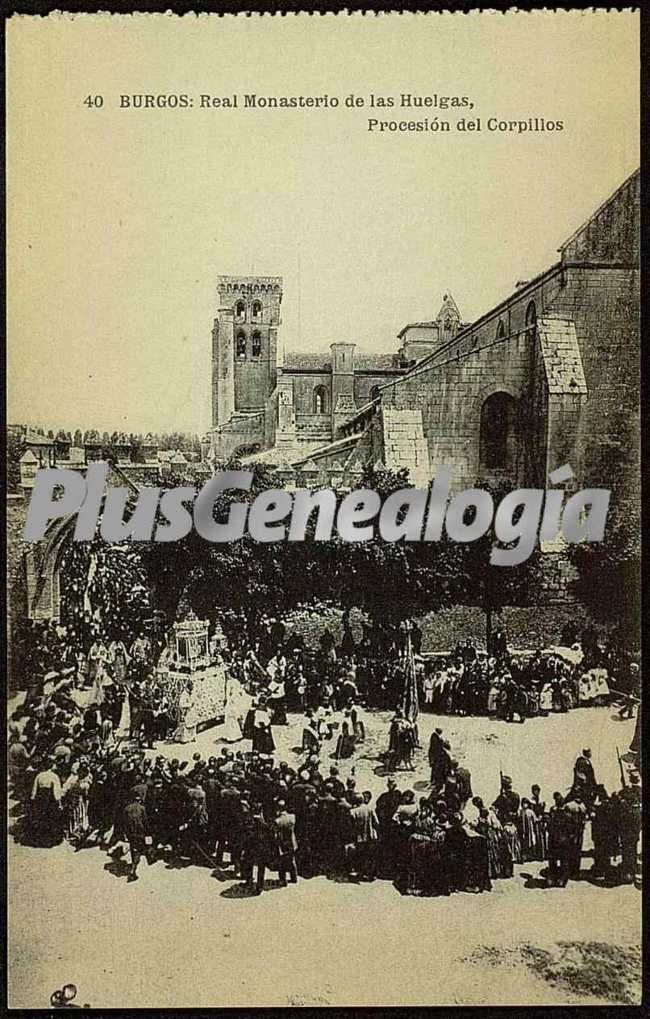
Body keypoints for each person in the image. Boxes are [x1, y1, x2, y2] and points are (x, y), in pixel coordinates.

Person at [29, 759, 64, 846]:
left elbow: (34, 790)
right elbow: (57, 792)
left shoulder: (39, 775)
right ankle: (50, 840)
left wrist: (33, 800)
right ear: (52, 766)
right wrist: (59, 804)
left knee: (41, 818)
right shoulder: (54, 776)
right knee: (51, 819)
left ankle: (40, 839)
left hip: (40, 800)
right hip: (50, 800)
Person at [617, 772, 641, 884]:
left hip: (627, 828)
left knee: (627, 849)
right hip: (635, 828)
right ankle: (632, 868)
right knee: (633, 847)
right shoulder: (639, 792)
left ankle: (628, 872)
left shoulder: (625, 793)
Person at [123, 788, 149, 882]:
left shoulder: (126, 808)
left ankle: (134, 863)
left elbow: (124, 822)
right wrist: (148, 832)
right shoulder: (142, 808)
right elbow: (145, 822)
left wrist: (125, 833)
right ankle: (133, 869)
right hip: (139, 832)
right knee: (138, 849)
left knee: (133, 848)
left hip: (130, 832)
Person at [273, 801, 298, 886]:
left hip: (282, 843)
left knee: (282, 862)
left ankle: (283, 880)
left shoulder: (277, 821)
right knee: (292, 860)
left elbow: (275, 833)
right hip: (292, 841)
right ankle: (294, 878)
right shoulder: (292, 817)